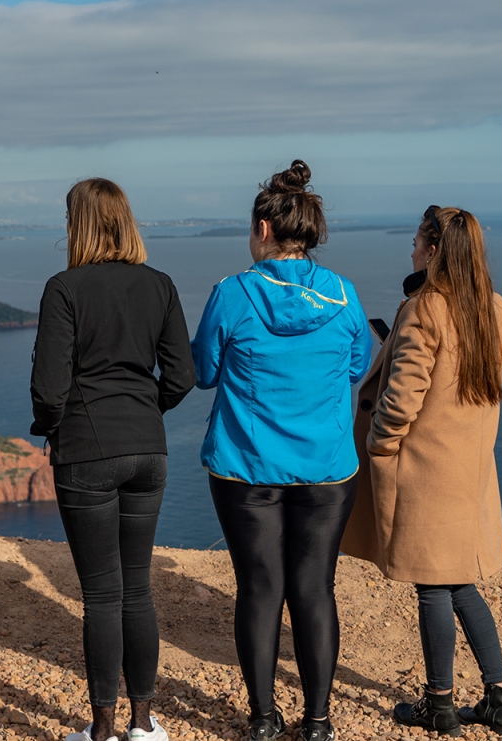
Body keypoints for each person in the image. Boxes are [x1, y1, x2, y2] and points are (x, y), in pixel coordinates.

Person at [191, 161, 372, 741]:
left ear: (264, 230)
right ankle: (318, 723)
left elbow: (204, 371)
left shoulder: (233, 294)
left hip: (247, 469)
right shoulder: (344, 295)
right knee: (315, 588)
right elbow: (356, 367)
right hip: (326, 468)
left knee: (260, 589)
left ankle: (264, 721)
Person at [340, 205, 502, 737]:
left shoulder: (426, 308)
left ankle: (440, 705)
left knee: (433, 587)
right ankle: (500, 698)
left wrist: (379, 447)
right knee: (457, 581)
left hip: (423, 469)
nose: (411, 250)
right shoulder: (496, 309)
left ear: (435, 250)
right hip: (469, 468)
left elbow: (401, 398)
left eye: (417, 242)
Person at [31, 178, 197, 741]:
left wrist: (51, 428)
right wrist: (145, 410)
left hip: (86, 450)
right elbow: (183, 376)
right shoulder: (161, 285)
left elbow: (50, 388)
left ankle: (102, 728)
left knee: (102, 592)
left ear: (77, 225)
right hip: (149, 449)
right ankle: (144, 723)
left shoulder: (64, 288)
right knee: (138, 587)